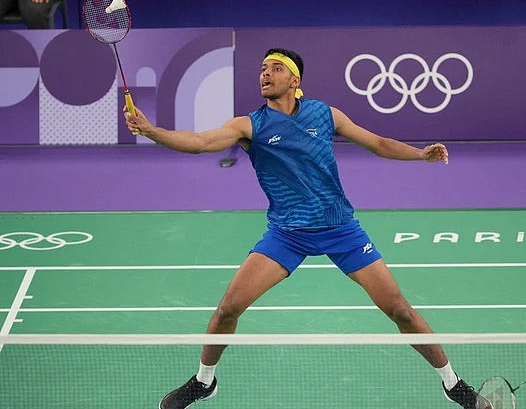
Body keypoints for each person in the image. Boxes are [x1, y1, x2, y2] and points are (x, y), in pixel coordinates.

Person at [124, 48, 484, 409]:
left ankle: (453, 384)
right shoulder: (250, 125)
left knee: (400, 310)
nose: (265, 74)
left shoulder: (324, 114)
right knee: (228, 309)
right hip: (287, 233)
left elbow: (377, 143)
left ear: (294, 80)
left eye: (276, 68)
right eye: (262, 68)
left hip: (340, 227)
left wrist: (419, 154)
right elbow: (201, 143)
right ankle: (204, 382)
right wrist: (153, 131)